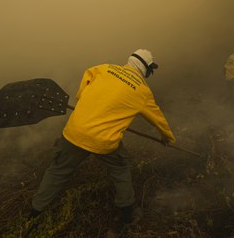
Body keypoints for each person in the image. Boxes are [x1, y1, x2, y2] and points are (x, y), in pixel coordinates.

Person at [28, 49, 176, 234]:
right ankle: (127, 213)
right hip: (104, 141)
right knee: (120, 169)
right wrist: (168, 138)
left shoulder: (105, 68)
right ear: (145, 68)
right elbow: (158, 119)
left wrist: (82, 96)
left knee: (57, 171)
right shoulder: (143, 91)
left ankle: (34, 213)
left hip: (75, 132)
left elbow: (88, 73)